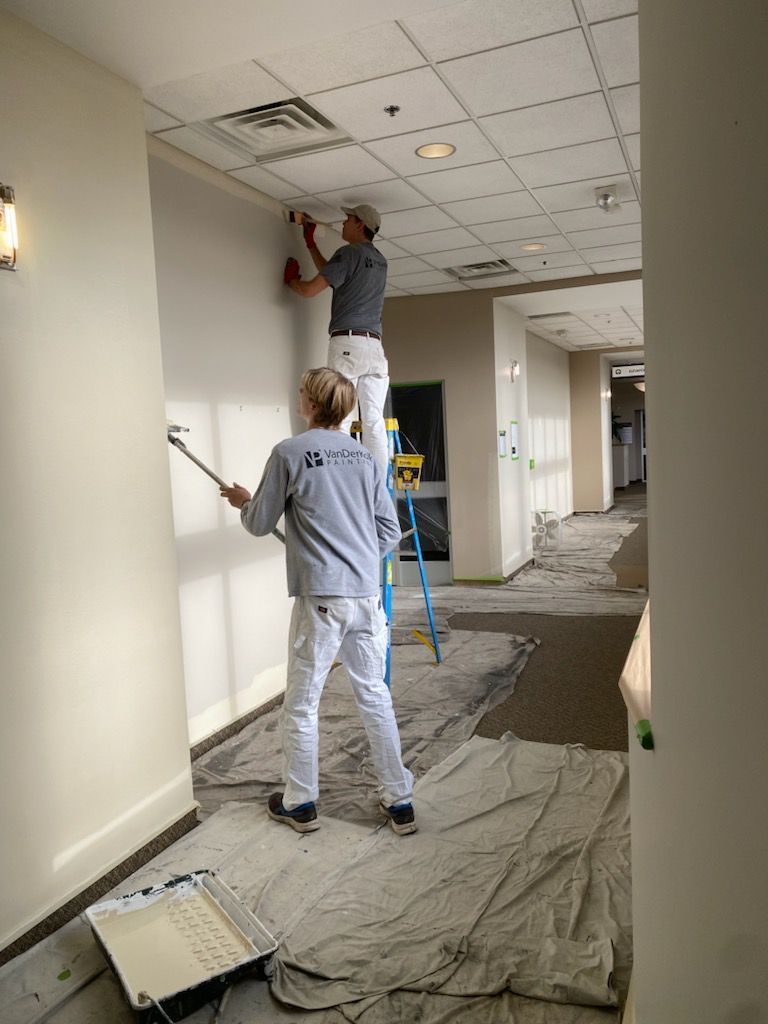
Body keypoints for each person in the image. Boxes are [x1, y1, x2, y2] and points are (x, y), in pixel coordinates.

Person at [219, 367, 416, 836]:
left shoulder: (289, 453)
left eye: (303, 391)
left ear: (311, 403)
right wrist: (356, 556)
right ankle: (400, 801)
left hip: (323, 601)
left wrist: (243, 500)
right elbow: (388, 531)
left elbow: (259, 523)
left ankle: (301, 803)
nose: (298, 395)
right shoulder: (366, 459)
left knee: (303, 705)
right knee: (375, 697)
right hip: (367, 597)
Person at [283, 205, 389, 476]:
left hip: (348, 346)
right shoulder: (379, 261)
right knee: (374, 421)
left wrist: (292, 281)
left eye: (348, 219)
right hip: (375, 350)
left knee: (341, 415)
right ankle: (375, 480)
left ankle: (341, 477)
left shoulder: (348, 253)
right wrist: (310, 244)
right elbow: (334, 275)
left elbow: (309, 290)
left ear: (359, 225)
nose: (343, 222)